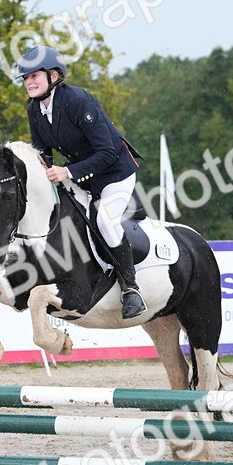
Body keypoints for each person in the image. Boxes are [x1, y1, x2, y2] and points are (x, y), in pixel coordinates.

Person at [19, 45, 147, 318]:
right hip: (81, 176)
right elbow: (43, 152)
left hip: (114, 173)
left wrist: (68, 172)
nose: (28, 82)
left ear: (53, 76)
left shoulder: (78, 100)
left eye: (34, 76)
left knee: (104, 220)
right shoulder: (34, 109)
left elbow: (107, 152)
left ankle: (131, 288)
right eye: (25, 78)